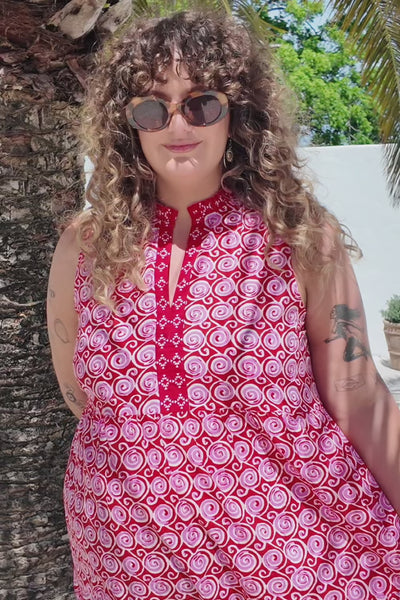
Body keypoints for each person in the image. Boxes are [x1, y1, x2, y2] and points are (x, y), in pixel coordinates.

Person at [47, 10, 400, 600]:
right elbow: (81, 397)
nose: (177, 124)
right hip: (126, 560)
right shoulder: (84, 246)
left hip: (289, 553)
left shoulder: (297, 234)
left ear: (236, 110)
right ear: (127, 123)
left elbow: (358, 394)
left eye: (201, 104)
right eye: (152, 107)